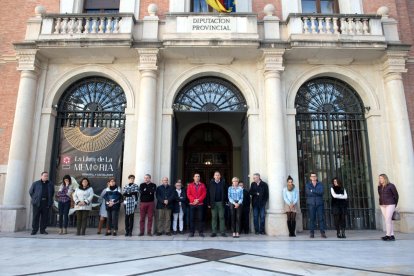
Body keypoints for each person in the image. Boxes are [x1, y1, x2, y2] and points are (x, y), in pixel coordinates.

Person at [305, 172, 327, 238]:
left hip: (319, 203)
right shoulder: (307, 185)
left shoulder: (320, 184)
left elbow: (321, 192)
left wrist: (312, 190)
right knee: (312, 219)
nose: (313, 177)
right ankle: (312, 233)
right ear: (310, 178)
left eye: (315, 176)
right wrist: (315, 191)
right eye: (312, 176)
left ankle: (322, 233)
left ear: (316, 177)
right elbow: (308, 193)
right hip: (311, 204)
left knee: (321, 219)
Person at [378, 173, 399, 241]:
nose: (380, 179)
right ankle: (392, 235)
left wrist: (395, 204)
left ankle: (388, 235)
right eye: (379, 178)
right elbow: (380, 195)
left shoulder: (391, 185)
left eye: (381, 178)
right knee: (388, 220)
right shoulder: (379, 186)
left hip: (390, 204)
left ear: (385, 178)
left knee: (387, 219)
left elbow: (396, 195)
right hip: (382, 205)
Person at [207, 171, 228, 237]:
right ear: (214, 176)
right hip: (213, 203)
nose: (217, 176)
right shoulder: (210, 184)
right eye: (216, 175)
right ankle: (214, 232)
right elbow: (208, 194)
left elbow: (226, 193)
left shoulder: (223, 183)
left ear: (220, 176)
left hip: (221, 203)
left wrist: (226, 201)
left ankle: (222, 232)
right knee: (214, 217)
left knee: (221, 217)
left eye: (218, 175)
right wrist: (208, 203)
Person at [187, 173, 207, 237]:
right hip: (192, 204)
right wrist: (194, 200)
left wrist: (198, 200)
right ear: (193, 177)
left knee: (200, 218)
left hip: (200, 204)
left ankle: (200, 232)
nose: (197, 177)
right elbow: (188, 194)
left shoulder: (203, 185)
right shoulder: (190, 185)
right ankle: (191, 232)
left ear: (199, 178)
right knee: (192, 218)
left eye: (198, 176)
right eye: (196, 176)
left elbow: (204, 194)